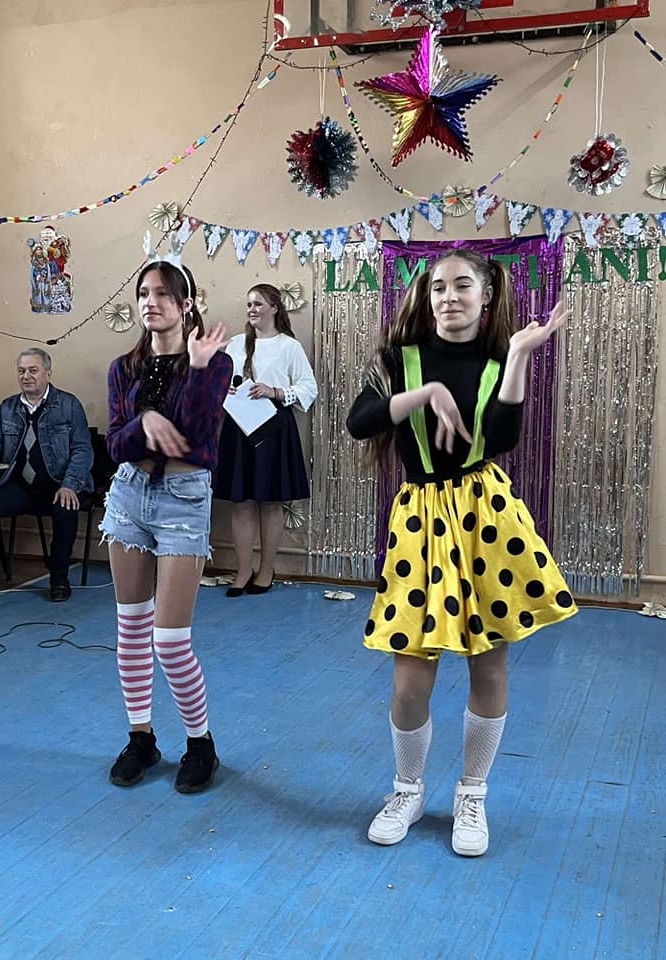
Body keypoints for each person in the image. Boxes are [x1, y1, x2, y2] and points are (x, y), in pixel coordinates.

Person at [346, 249, 577, 856]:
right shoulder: (400, 359)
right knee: (409, 677)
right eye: (438, 287)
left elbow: (501, 436)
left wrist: (521, 355)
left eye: (462, 285)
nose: (449, 296)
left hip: (484, 517)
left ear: (486, 295)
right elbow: (360, 420)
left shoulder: (499, 358)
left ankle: (472, 793)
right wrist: (423, 394)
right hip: (420, 521)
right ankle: (407, 788)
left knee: (490, 665)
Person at [100, 255, 232, 793]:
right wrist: (145, 421)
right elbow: (115, 443)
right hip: (129, 495)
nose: (150, 303)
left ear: (185, 304)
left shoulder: (215, 363)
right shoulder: (123, 368)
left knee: (171, 639)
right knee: (131, 628)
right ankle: (142, 739)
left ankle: (200, 743)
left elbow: (197, 433)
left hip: (183, 498)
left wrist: (196, 369)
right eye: (143, 294)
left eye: (162, 294)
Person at [0, 348, 93, 603]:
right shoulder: (8, 407)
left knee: (66, 507)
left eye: (32, 370)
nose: (26, 376)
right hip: (20, 486)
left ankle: (59, 578)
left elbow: (83, 449)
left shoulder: (68, 405)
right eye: (21, 371)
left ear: (48, 374)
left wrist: (70, 484)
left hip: (58, 484)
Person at [213, 284, 318, 596]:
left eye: (258, 303)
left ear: (274, 307)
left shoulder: (289, 346)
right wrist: (225, 389)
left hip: (273, 428)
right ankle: (243, 570)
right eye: (249, 304)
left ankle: (266, 569)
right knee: (241, 502)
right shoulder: (235, 344)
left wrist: (275, 391)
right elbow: (217, 383)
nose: (252, 309)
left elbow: (309, 388)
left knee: (270, 502)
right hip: (239, 427)